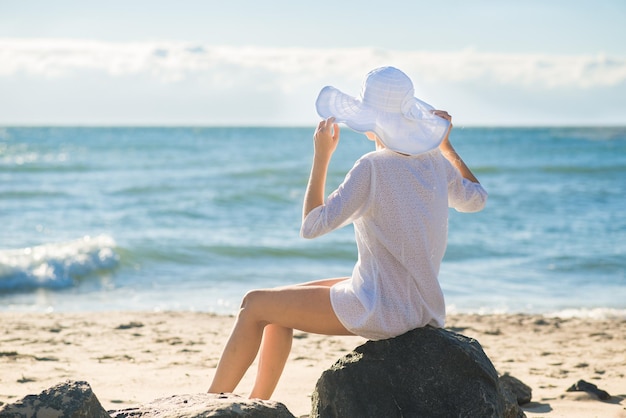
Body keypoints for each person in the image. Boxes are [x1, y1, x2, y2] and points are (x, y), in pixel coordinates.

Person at [208, 66, 487, 400]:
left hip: (383, 309)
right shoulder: (434, 162)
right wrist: (445, 146)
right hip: (421, 304)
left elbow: (312, 226)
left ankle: (208, 404)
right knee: (275, 308)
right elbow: (477, 199)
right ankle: (257, 404)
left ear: (371, 121)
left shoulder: (372, 166)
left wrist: (321, 156)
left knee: (254, 304)